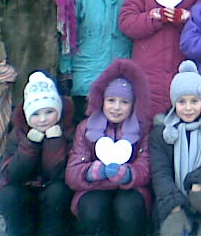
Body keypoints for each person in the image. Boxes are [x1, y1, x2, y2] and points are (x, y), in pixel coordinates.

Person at [119, 0, 201, 118]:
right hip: (148, 65)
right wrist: (154, 17)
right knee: (147, 114)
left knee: (181, 112)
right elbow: (127, 22)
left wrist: (184, 19)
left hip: (181, 63)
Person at [65, 59, 152, 236]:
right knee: (93, 208)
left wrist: (129, 174)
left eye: (124, 102)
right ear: (102, 100)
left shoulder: (143, 129)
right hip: (94, 187)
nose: (116, 107)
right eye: (111, 100)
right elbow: (72, 173)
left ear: (133, 105)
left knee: (128, 209)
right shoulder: (86, 128)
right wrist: (91, 172)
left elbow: (146, 166)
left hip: (130, 188)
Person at [150, 60, 201, 236]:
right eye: (182, 102)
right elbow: (160, 172)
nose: (188, 108)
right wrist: (174, 206)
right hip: (175, 194)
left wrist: (198, 183)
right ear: (174, 103)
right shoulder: (161, 133)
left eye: (194, 101)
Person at [0, 71, 74, 236]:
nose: (43, 119)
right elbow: (12, 174)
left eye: (49, 112)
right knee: (9, 195)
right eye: (36, 114)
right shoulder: (18, 133)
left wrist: (54, 142)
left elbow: (58, 174)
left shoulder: (67, 131)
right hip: (23, 186)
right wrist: (30, 144)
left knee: (58, 192)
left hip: (51, 188)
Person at [63, 0, 131, 123]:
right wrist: (66, 64)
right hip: (87, 69)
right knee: (85, 123)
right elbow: (70, 30)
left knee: (116, 122)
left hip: (120, 67)